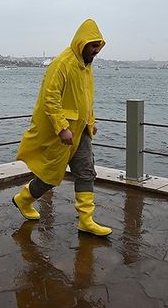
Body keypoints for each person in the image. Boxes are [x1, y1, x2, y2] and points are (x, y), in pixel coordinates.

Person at [13, 18, 112, 236]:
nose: (96, 51)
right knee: (50, 176)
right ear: (82, 42)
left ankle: (86, 220)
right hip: (63, 134)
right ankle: (23, 199)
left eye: (99, 46)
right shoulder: (62, 64)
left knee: (86, 172)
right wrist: (61, 127)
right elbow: (51, 98)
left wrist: (91, 122)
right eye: (93, 46)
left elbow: (86, 99)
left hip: (81, 131)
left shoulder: (87, 67)